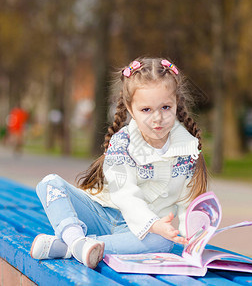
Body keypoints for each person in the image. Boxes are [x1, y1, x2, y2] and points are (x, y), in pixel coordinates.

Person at [30, 57, 208, 269]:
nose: (157, 118)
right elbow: (124, 193)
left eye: (165, 107)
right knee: (50, 184)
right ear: (131, 110)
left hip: (138, 233)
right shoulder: (123, 142)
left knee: (163, 241)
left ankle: (69, 247)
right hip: (100, 213)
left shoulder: (187, 150)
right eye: (146, 110)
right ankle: (75, 239)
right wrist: (151, 223)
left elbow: (188, 203)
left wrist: (192, 242)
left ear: (177, 104)